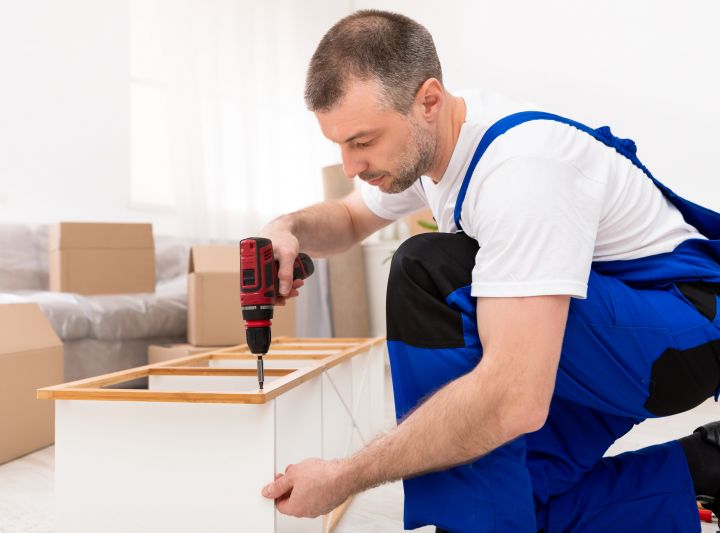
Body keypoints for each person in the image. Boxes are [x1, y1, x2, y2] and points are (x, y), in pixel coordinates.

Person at [259, 9, 720, 532]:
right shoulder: (432, 142)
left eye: (361, 142)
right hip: (607, 330)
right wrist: (286, 227)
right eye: (338, 144)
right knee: (513, 499)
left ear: (428, 100)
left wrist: (345, 476)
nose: (350, 166)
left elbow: (514, 398)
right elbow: (347, 218)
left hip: (679, 338)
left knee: (428, 266)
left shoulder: (521, 173)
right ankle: (703, 466)